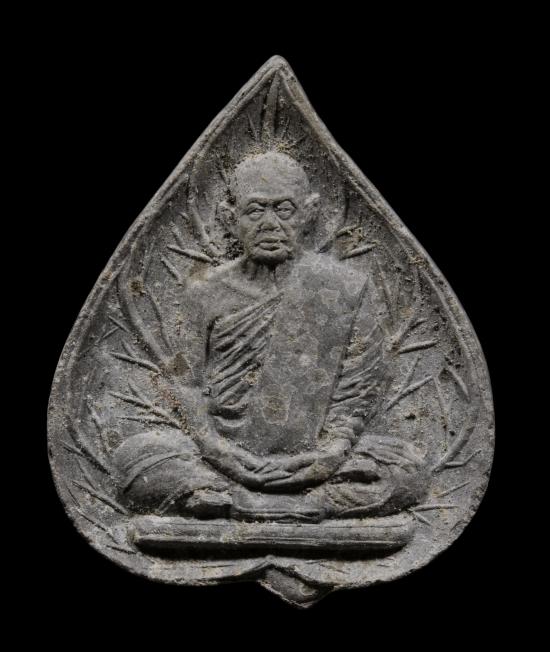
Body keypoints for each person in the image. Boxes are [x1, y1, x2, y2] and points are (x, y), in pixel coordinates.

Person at [113, 151, 428, 520]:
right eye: (255, 210)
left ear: (308, 213)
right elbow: (186, 384)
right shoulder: (205, 291)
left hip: (317, 458)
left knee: (408, 470)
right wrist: (217, 450)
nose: (270, 224)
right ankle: (289, 506)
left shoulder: (344, 287)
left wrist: (331, 454)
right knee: (136, 461)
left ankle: (256, 505)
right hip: (223, 456)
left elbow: (358, 392)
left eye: (284, 210)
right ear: (230, 219)